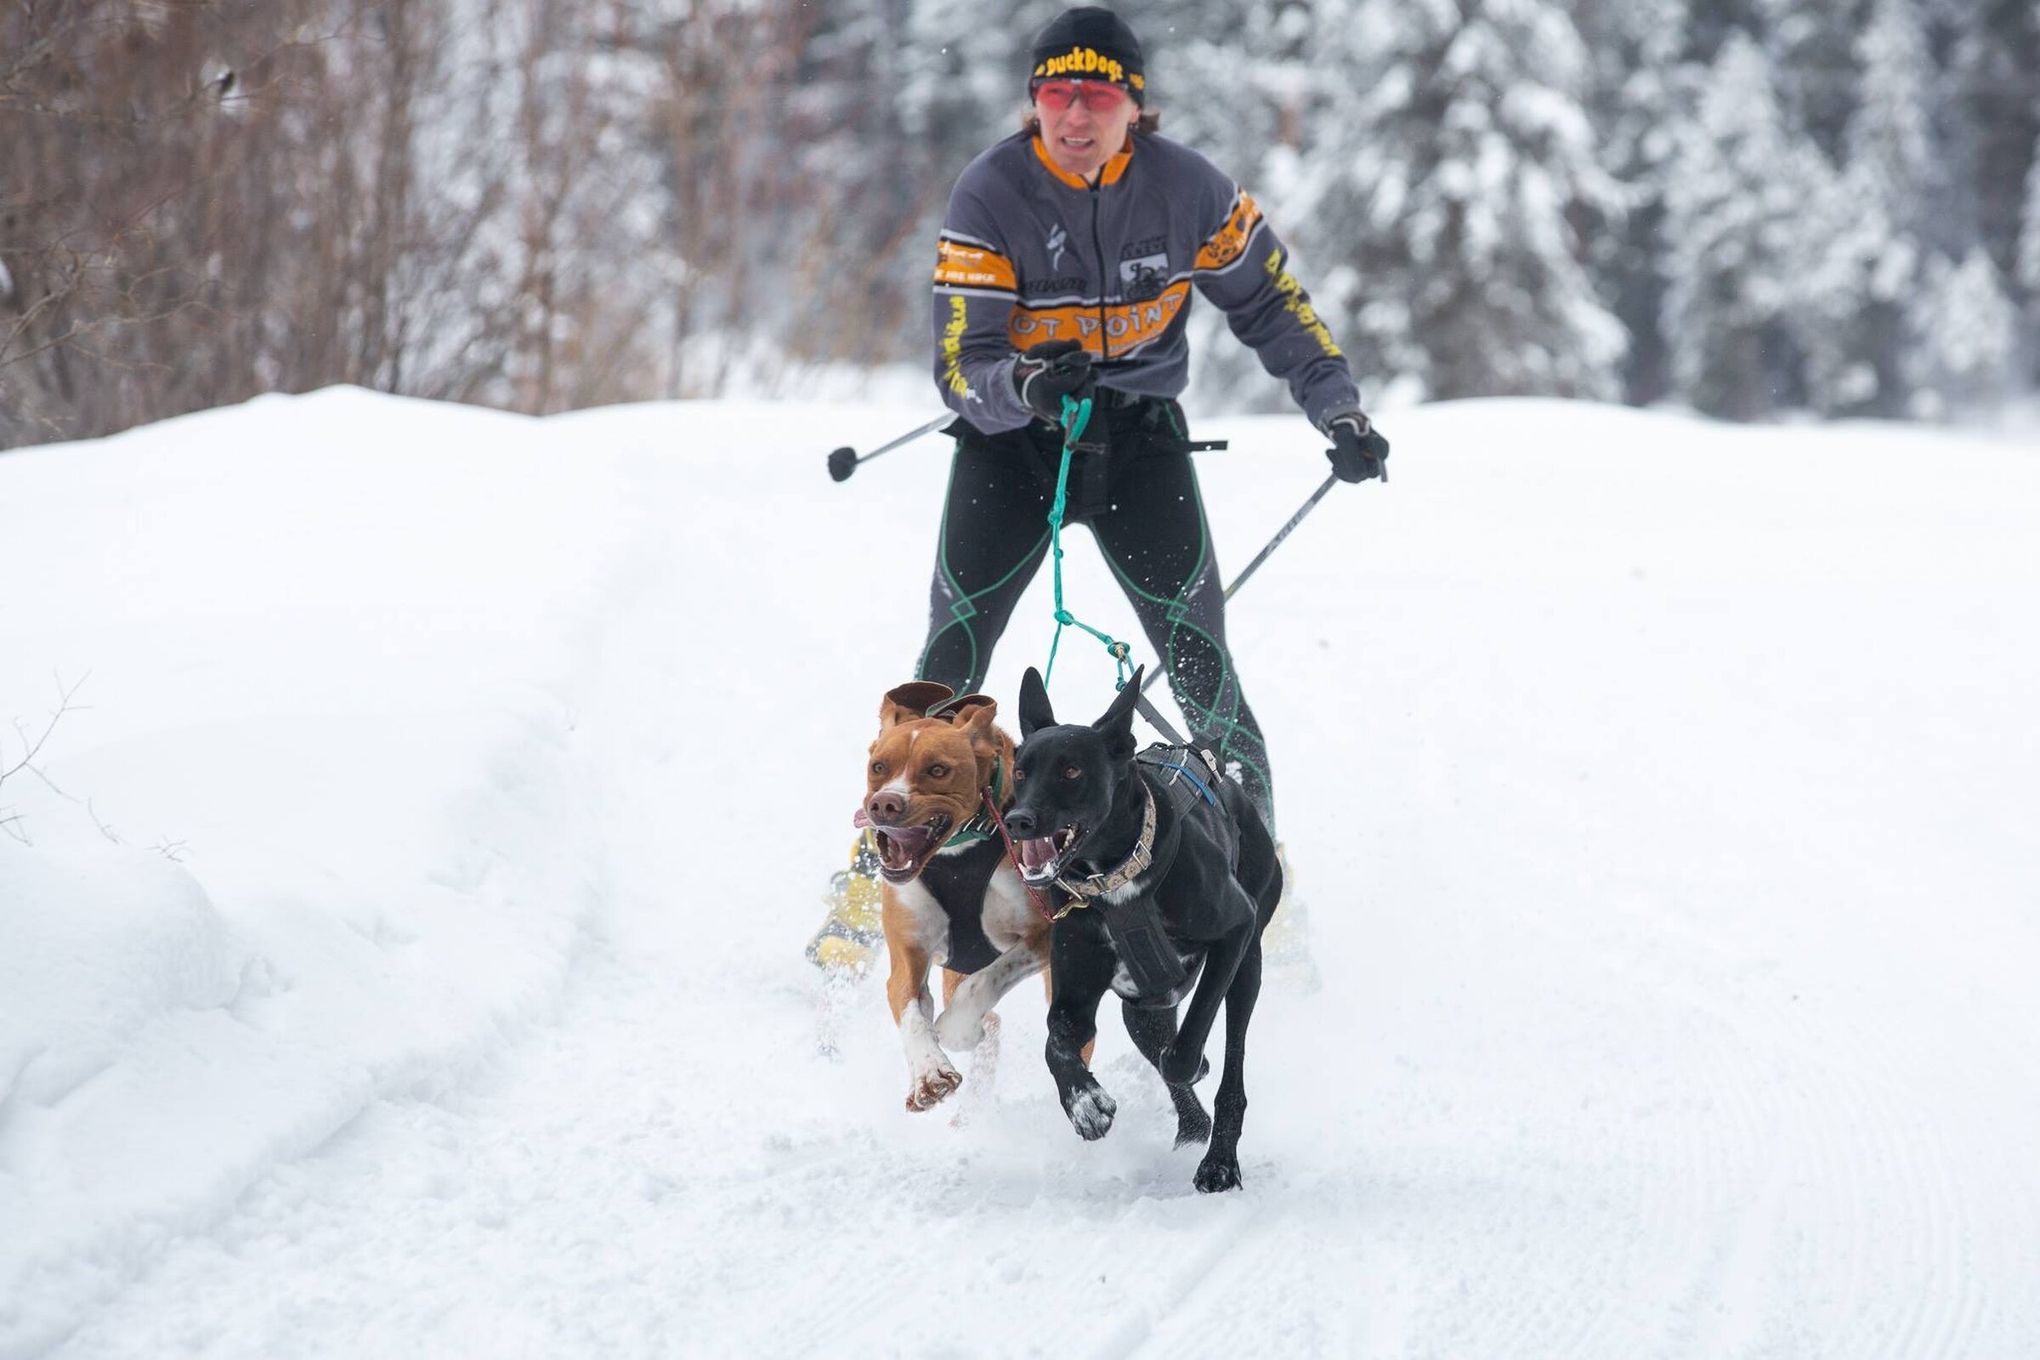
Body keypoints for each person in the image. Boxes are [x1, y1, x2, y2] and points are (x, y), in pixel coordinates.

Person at [807, 5, 1389, 973]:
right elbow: (961, 363)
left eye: (1098, 95)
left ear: (1134, 103)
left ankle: (1258, 895)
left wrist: (1340, 411)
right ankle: (875, 887)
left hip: (1139, 443)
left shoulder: (1189, 189)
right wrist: (1028, 384)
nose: (1074, 117)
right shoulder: (992, 189)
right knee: (944, 678)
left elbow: (1273, 305)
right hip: (1014, 443)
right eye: (1054, 95)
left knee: (1203, 669)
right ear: (1034, 100)